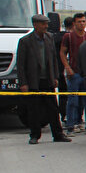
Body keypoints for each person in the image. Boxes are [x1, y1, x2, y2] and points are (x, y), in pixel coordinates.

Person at [16, 14, 71, 144]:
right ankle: (34, 135)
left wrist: (56, 76)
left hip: (48, 79)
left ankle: (58, 134)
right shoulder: (25, 41)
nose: (46, 26)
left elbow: (53, 59)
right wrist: (23, 83)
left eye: (47, 24)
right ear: (35, 25)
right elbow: (21, 64)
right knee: (34, 109)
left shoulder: (49, 38)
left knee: (53, 108)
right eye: (43, 24)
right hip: (33, 80)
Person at [59, 12, 86, 132]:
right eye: (79, 22)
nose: (81, 24)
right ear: (74, 23)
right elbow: (62, 52)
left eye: (83, 21)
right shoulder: (68, 37)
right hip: (74, 73)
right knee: (72, 100)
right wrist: (67, 67)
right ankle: (70, 126)